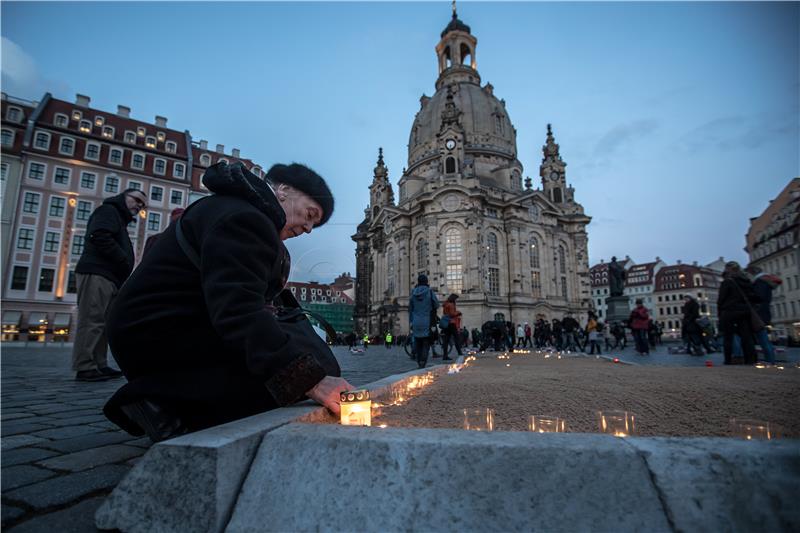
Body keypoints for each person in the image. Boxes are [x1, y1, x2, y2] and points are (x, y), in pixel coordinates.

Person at [102, 162, 352, 442]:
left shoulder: (239, 211)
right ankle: (160, 399)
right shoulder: (246, 219)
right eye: (309, 215)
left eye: (313, 225)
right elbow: (239, 311)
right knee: (290, 382)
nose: (307, 228)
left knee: (311, 362)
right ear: (284, 190)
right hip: (159, 336)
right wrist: (312, 381)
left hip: (163, 328)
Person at [71, 188, 147, 382]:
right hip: (97, 272)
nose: (139, 205)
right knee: (92, 320)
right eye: (136, 200)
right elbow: (100, 235)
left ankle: (99, 364)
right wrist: (122, 259)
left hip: (110, 276)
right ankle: (85, 366)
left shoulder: (118, 218)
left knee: (103, 323)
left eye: (142, 204)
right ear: (124, 197)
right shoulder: (108, 211)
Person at [717, 261, 761, 365]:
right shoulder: (746, 281)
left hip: (729, 312)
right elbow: (753, 296)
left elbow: (721, 299)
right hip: (744, 311)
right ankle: (751, 359)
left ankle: (728, 360)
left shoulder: (728, 282)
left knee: (728, 337)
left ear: (728, 269)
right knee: (747, 336)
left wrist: (720, 313)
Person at [746, 265, 779, 364]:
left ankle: (770, 360)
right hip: (764, 313)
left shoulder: (760, 282)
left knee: (763, 339)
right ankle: (770, 360)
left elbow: (759, 297)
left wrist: (749, 295)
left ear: (752, 273)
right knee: (764, 339)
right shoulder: (765, 282)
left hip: (759, 314)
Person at [409, 274, 439, 368]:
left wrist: (411, 321)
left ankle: (418, 361)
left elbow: (410, 308)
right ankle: (423, 361)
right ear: (426, 281)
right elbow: (436, 304)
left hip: (416, 321)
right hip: (427, 321)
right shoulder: (430, 292)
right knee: (426, 342)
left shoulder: (413, 293)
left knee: (418, 342)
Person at [441, 294, 463, 361]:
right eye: (455, 299)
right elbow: (452, 314)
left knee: (446, 340)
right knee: (457, 338)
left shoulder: (445, 304)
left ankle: (445, 355)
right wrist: (458, 312)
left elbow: (446, 313)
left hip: (446, 323)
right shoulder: (451, 305)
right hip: (451, 323)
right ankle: (460, 352)